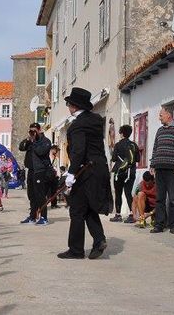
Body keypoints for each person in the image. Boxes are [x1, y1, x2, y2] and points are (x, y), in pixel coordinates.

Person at [58, 87, 111, 260]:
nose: (68, 106)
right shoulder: (95, 120)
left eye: (68, 104)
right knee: (87, 207)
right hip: (99, 168)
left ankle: (76, 250)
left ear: (73, 106)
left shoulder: (78, 125)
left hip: (85, 170)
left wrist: (71, 174)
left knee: (77, 210)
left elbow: (79, 150)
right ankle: (99, 239)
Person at [149, 106, 174, 234]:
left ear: (168, 115)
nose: (159, 118)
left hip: (173, 169)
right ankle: (159, 224)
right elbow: (155, 147)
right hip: (159, 168)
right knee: (159, 198)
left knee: (172, 198)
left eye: (161, 115)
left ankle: (173, 225)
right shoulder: (160, 130)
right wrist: (153, 164)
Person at [19, 123, 53, 225]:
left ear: (39, 130)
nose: (32, 133)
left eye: (34, 130)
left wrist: (34, 142)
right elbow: (21, 147)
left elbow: (41, 152)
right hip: (31, 170)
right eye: (31, 131)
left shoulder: (45, 141)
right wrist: (27, 139)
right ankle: (32, 216)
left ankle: (44, 217)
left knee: (40, 195)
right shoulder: (30, 140)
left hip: (40, 171)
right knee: (31, 194)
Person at [110, 125, 139, 223]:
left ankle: (118, 215)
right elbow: (137, 159)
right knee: (128, 193)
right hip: (131, 172)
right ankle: (131, 214)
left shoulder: (118, 145)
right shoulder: (134, 145)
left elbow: (113, 158)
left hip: (119, 172)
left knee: (118, 193)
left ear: (122, 133)